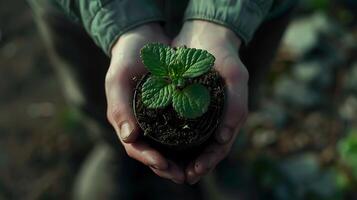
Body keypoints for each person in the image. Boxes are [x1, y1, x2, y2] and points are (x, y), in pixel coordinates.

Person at [29, 0, 297, 199]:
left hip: (251, 11)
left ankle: (224, 160)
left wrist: (223, 18)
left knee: (231, 100)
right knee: (99, 98)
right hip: (83, 10)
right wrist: (114, 15)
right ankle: (118, 155)